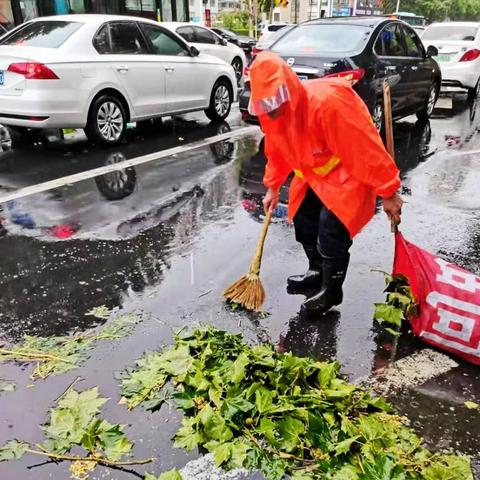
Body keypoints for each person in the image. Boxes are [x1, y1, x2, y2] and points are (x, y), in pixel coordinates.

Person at [249, 51, 403, 315]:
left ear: (289, 90)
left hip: (347, 173)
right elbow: (277, 152)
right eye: (267, 106)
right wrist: (273, 187)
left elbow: (364, 150)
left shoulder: (327, 104)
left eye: (276, 103)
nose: (273, 111)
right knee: (304, 221)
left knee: (331, 232)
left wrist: (388, 191)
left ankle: (332, 291)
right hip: (313, 174)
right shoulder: (274, 117)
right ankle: (317, 272)